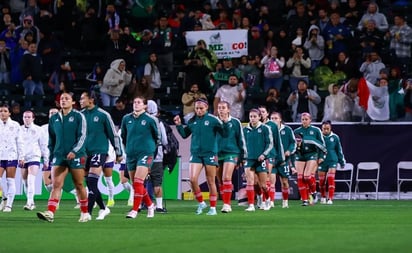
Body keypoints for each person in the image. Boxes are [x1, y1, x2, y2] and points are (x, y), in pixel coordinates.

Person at [36, 92, 89, 223]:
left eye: (67, 99)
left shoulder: (79, 116)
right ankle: (50, 212)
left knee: (79, 184)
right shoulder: (54, 118)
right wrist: (52, 154)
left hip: (76, 156)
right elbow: (52, 139)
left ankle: (85, 212)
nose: (63, 101)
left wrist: (75, 151)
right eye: (61, 99)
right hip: (59, 156)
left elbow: (82, 136)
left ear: (73, 102)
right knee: (56, 185)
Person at [173, 98, 228, 215]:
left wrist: (224, 123)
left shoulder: (213, 120)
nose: (198, 110)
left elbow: (225, 134)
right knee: (192, 179)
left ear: (207, 107)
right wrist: (178, 125)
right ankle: (201, 202)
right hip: (196, 154)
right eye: (197, 108)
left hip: (210, 154)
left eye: (201, 108)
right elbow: (184, 135)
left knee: (211, 181)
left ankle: (213, 208)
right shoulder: (192, 120)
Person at [79, 91, 122, 220]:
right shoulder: (79, 116)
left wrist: (118, 152)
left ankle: (88, 213)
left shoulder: (103, 115)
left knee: (92, 181)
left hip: (99, 151)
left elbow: (113, 134)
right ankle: (103, 208)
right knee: (89, 183)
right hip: (84, 153)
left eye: (82, 98)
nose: (80, 101)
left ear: (91, 100)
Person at [120, 96, 159, 219]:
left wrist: (151, 152)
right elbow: (124, 136)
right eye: (134, 102)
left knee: (138, 181)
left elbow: (156, 137)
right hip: (131, 154)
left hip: (146, 153)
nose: (136, 104)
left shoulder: (150, 120)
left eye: (139, 102)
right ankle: (150, 205)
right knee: (136, 184)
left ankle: (135, 210)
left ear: (145, 106)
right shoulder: (126, 119)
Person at [216, 101, 246, 213]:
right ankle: (225, 201)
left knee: (226, 178)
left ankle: (227, 205)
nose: (221, 110)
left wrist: (242, 157)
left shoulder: (235, 122)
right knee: (220, 182)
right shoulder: (214, 122)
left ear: (228, 110)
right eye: (219, 108)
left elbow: (241, 139)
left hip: (232, 153)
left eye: (223, 108)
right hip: (217, 154)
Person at [242, 108, 273, 211]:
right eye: (251, 116)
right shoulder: (245, 130)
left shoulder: (265, 128)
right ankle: (251, 205)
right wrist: (243, 157)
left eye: (255, 116)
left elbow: (270, 144)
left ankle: (267, 200)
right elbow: (242, 145)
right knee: (251, 182)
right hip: (249, 159)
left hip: (261, 160)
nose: (252, 118)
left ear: (260, 117)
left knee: (263, 185)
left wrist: (264, 155)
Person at [294, 112, 326, 206]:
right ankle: (305, 199)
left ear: (310, 120)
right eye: (303, 119)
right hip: (300, 155)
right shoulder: (296, 131)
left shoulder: (316, 130)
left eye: (306, 119)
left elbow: (322, 144)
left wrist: (321, 156)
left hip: (312, 154)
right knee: (300, 177)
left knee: (307, 176)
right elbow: (293, 145)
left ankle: (314, 192)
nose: (304, 121)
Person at [20, 110, 49, 211]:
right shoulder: (19, 130)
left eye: (28, 117)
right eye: (25, 117)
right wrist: (20, 157)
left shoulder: (39, 129)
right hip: (23, 158)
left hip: (34, 157)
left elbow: (43, 145)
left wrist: (46, 160)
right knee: (25, 182)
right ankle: (31, 202)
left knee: (31, 179)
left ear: (33, 118)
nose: (26, 119)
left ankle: (29, 203)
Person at [258, 105, 284, 209]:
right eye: (260, 112)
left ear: (267, 113)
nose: (261, 113)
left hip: (270, 154)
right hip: (258, 155)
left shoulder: (272, 125)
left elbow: (278, 142)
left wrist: (281, 157)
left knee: (267, 176)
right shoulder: (254, 125)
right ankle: (261, 199)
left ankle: (267, 201)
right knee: (258, 180)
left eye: (263, 112)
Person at [0, 103, 24, 212]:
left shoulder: (15, 125)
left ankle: (9, 205)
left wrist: (21, 156)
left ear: (9, 113)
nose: (2, 113)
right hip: (0, 155)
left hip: (11, 156)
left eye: (5, 111)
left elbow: (20, 142)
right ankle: (4, 197)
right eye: (1, 111)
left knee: (10, 180)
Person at [270, 112, 297, 208]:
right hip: (272, 160)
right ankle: (271, 202)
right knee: (271, 182)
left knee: (285, 182)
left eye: (275, 118)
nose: (273, 120)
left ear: (280, 119)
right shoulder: (268, 129)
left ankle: (285, 202)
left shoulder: (287, 130)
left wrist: (289, 151)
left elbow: (293, 143)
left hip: (283, 161)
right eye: (272, 118)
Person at [146, 100, 168, 213]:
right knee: (157, 182)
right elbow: (164, 141)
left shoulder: (139, 120)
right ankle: (159, 206)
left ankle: (139, 205)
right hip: (157, 157)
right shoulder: (159, 123)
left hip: (142, 156)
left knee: (140, 181)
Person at [318, 121, 346, 204]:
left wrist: (342, 161)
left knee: (331, 178)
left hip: (332, 160)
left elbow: (339, 150)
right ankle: (323, 196)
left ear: (330, 129)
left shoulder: (335, 137)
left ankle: (330, 198)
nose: (326, 130)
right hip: (322, 161)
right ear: (321, 129)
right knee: (322, 181)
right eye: (324, 129)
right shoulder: (318, 137)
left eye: (327, 129)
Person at [19, 41, 44, 109]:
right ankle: (27, 110)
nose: (33, 48)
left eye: (35, 47)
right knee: (29, 96)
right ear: (28, 48)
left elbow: (40, 68)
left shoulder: (38, 57)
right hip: (29, 80)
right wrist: (27, 75)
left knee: (41, 95)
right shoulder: (25, 56)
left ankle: (39, 110)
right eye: (31, 47)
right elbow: (23, 67)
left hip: (37, 80)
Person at [41, 107, 59, 194]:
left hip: (59, 157)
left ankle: (81, 200)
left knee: (63, 181)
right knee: (47, 183)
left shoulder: (63, 127)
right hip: (47, 157)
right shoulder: (43, 128)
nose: (53, 114)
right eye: (51, 113)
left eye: (55, 113)